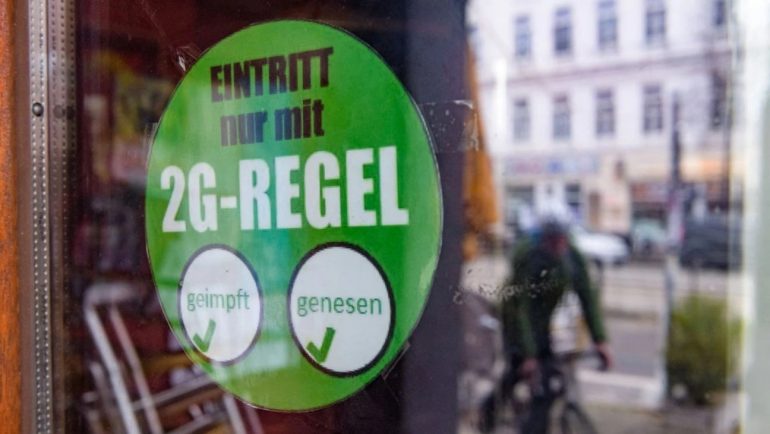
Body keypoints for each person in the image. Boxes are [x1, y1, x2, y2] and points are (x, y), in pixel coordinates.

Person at [483, 221, 613, 433]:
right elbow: (521, 309)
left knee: (549, 381)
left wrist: (600, 341)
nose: (558, 247)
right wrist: (528, 355)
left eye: (562, 241)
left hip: (543, 323)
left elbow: (587, 298)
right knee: (518, 369)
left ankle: (535, 427)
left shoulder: (573, 258)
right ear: (544, 240)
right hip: (516, 321)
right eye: (553, 242)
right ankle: (488, 415)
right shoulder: (529, 257)